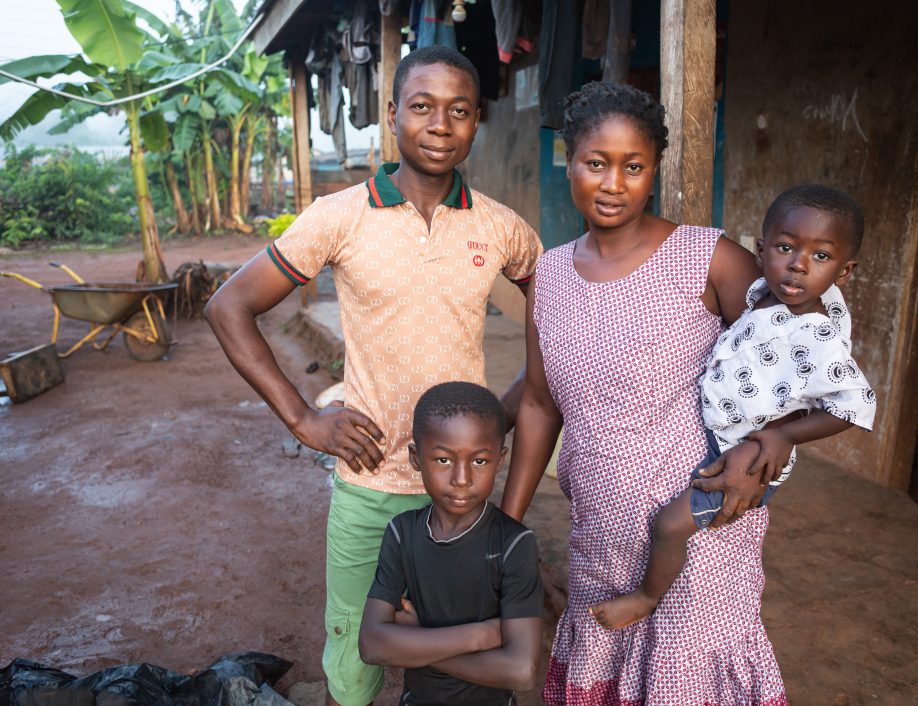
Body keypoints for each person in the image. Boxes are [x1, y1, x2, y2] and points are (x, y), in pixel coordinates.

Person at [204, 46, 542, 706]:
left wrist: (504, 407)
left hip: (462, 493)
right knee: (355, 663)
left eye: (459, 110)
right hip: (368, 483)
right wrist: (304, 418)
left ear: (478, 122)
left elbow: (565, 319)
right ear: (392, 115)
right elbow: (229, 306)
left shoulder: (501, 226)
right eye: (421, 106)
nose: (439, 124)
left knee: (453, 661)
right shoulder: (339, 217)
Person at [500, 81, 789, 704]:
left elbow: (791, 361)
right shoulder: (548, 276)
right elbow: (539, 404)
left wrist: (769, 452)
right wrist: (506, 524)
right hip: (601, 523)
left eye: (633, 167)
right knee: (607, 654)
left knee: (685, 671)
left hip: (699, 522)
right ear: (569, 161)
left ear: (652, 170)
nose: (613, 183)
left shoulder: (709, 258)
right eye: (596, 163)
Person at [589, 184, 876, 630]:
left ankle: (645, 598)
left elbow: (853, 405)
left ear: (845, 270)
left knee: (668, 525)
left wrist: (782, 436)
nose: (798, 265)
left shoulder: (816, 333)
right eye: (785, 248)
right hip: (719, 431)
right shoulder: (762, 293)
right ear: (760, 251)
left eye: (821, 257)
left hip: (748, 455)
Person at [359, 381, 543, 705]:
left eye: (479, 461)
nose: (462, 478)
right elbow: (372, 645)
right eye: (443, 460)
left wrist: (414, 643)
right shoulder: (402, 534)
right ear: (416, 457)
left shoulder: (514, 544)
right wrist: (481, 636)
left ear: (500, 460)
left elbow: (521, 670)